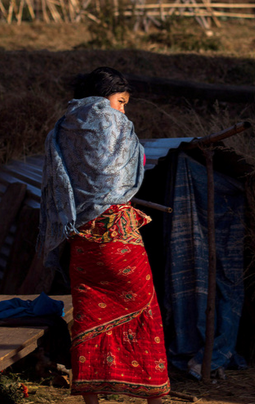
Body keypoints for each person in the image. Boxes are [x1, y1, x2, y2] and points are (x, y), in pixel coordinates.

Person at [38, 67, 170, 404]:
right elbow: (114, 179)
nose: (123, 110)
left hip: (82, 237)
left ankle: (92, 400)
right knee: (144, 311)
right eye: (121, 101)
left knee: (89, 316)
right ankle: (154, 397)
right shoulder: (109, 121)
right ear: (103, 97)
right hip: (118, 237)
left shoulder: (65, 125)